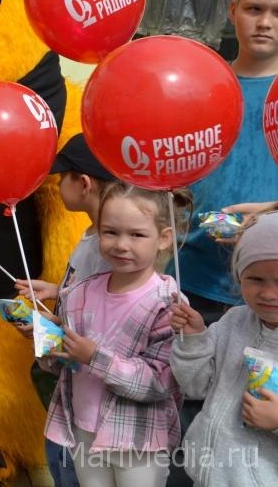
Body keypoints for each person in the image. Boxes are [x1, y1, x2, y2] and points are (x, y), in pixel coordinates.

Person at [169, 0, 278, 487]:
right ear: (233, 12)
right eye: (255, 8)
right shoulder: (198, 85)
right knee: (187, 417)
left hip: (269, 294)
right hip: (193, 281)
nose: (265, 22)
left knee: (255, 435)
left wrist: (272, 214)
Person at [40, 183, 185, 487]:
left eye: (137, 234)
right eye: (110, 232)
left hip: (137, 439)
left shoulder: (167, 303)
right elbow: (61, 367)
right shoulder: (79, 293)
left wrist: (95, 358)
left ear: (164, 238)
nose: (121, 244)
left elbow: (159, 381)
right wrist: (48, 340)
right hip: (83, 428)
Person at [11, 134, 117, 487]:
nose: (57, 186)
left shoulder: (108, 248)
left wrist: (49, 325)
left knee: (68, 467)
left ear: (83, 183)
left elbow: (98, 323)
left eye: (62, 178)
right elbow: (91, 292)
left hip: (83, 394)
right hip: (71, 386)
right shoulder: (96, 235)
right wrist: (59, 291)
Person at [169, 211, 278, 486]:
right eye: (255, 279)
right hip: (205, 475)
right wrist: (194, 338)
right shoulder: (233, 321)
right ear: (238, 276)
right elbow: (195, 387)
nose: (268, 293)